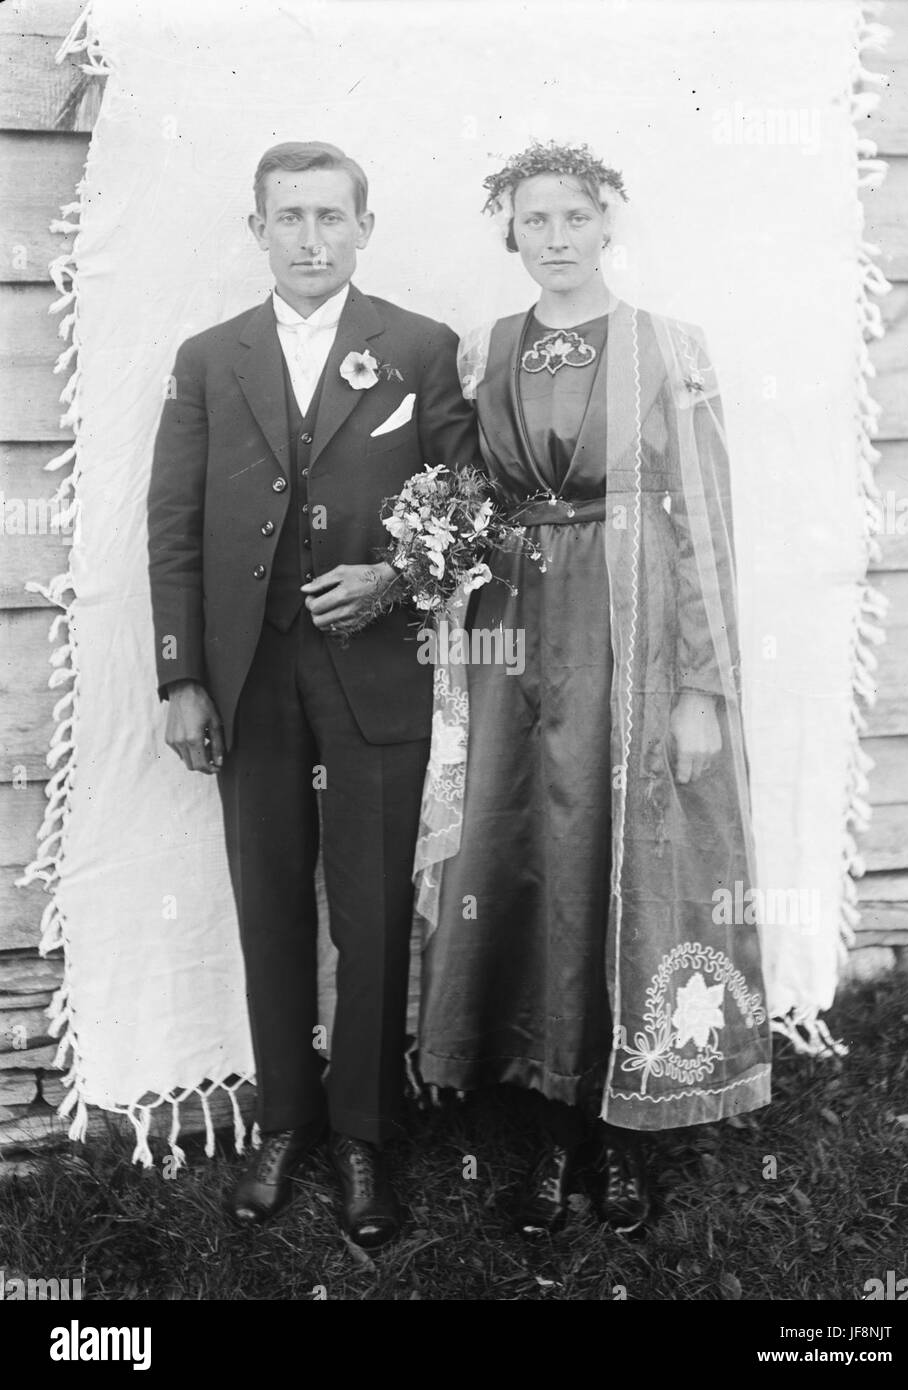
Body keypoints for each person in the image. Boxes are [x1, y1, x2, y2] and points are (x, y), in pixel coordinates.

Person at [415, 141, 771, 1236]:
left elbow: (703, 525)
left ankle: (626, 1136)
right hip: (514, 640)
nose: (557, 239)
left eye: (575, 218)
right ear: (510, 233)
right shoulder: (490, 352)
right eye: (535, 222)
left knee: (626, 858)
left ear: (606, 223)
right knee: (522, 856)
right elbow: (464, 502)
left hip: (634, 633)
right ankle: (542, 1122)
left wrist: (702, 687)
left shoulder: (668, 347)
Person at [147, 141, 478, 1248]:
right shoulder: (209, 358)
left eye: (331, 217)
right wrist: (184, 675)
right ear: (258, 230)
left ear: (364, 227)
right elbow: (176, 525)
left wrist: (395, 575)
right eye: (288, 217)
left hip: (374, 667)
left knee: (374, 905)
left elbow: (472, 504)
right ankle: (285, 1117)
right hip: (251, 674)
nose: (310, 238)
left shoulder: (419, 347)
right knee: (269, 893)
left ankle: (366, 1134)